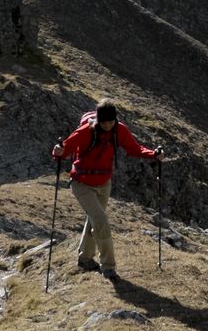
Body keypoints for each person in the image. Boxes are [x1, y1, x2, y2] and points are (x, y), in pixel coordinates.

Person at [52, 99, 157, 280]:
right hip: (81, 183)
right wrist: (58, 151)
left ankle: (85, 259)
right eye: (104, 122)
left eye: (111, 121)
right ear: (98, 120)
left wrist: (154, 154)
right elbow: (64, 150)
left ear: (115, 119)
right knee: (101, 221)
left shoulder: (119, 130)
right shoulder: (85, 131)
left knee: (94, 220)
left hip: (104, 183)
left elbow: (134, 149)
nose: (108, 125)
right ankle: (108, 267)